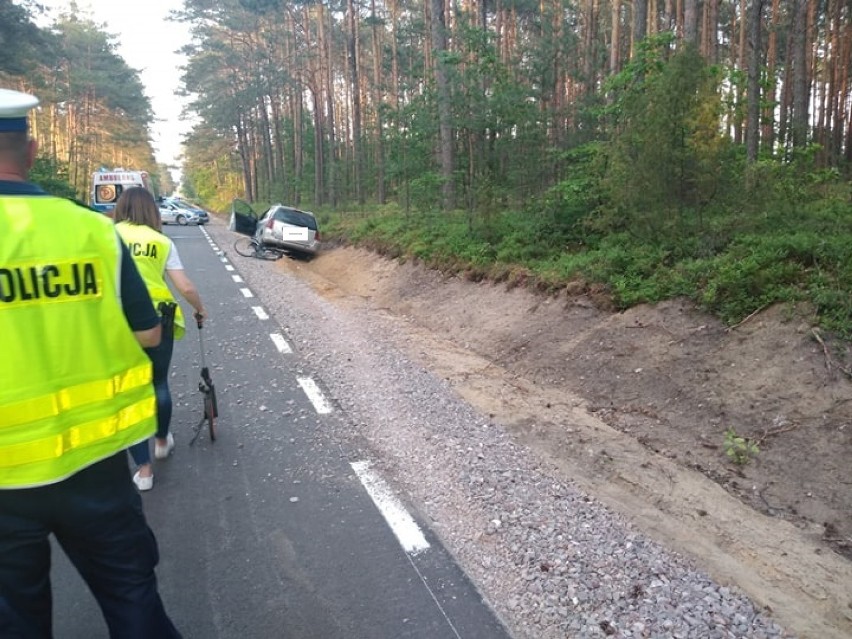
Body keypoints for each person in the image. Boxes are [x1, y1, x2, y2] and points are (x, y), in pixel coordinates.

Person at [0, 88, 181, 637]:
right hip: (95, 465)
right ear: (30, 151)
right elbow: (149, 332)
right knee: (133, 603)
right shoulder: (92, 230)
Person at [113, 187, 207, 491]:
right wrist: (200, 309)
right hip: (159, 319)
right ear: (152, 210)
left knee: (129, 391)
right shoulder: (161, 241)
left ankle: (143, 470)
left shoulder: (107, 236)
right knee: (158, 383)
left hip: (118, 321)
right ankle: (162, 441)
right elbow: (185, 286)